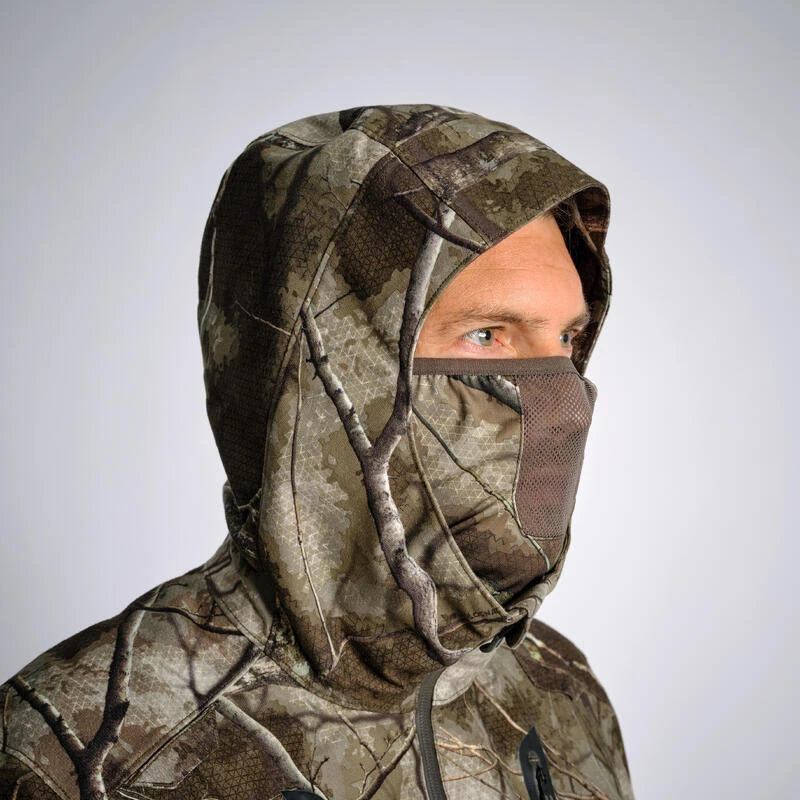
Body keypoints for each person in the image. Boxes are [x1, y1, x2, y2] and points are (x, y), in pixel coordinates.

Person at [0, 104, 634, 800]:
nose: (559, 398)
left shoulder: (565, 694)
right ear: (330, 367)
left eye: (567, 340)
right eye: (486, 335)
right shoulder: (75, 754)